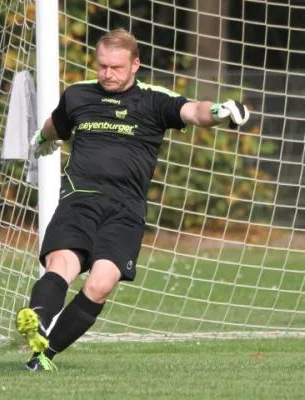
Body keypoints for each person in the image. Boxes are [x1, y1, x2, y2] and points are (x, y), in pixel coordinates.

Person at [16, 28, 250, 371]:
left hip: (125, 209)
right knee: (61, 264)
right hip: (80, 198)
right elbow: (56, 124)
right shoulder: (78, 95)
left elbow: (194, 112)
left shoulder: (152, 100)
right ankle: (35, 321)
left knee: (100, 284)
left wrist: (220, 111)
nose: (107, 73)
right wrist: (40, 137)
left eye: (116, 67)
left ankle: (42, 356)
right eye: (102, 65)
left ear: (135, 65)